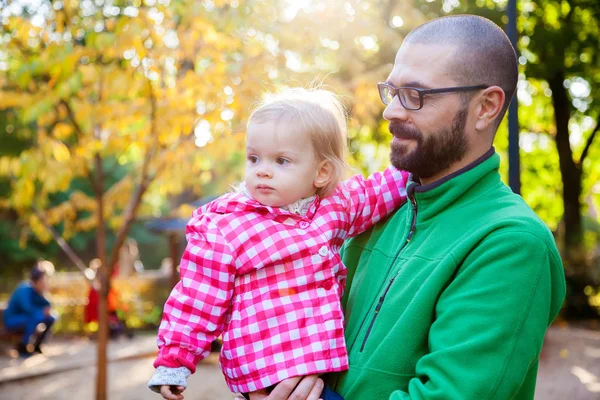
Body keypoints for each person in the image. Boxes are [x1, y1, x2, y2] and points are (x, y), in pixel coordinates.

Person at [240, 14, 567, 400]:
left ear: (486, 107)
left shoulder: (510, 243)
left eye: (415, 95)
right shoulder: (371, 213)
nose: (391, 111)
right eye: (392, 92)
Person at [147, 88, 410, 400]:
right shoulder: (228, 226)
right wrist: (174, 361)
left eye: (282, 160)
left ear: (321, 172)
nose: (263, 169)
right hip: (264, 370)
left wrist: (417, 164)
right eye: (254, 158)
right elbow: (197, 298)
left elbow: (379, 191)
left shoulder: (334, 206)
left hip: (318, 365)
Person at [3, 262, 56, 357]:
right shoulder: (24, 289)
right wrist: (42, 311)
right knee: (36, 317)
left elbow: (48, 305)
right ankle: (23, 347)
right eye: (44, 280)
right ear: (36, 280)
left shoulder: (38, 291)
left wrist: (44, 292)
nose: (46, 282)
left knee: (51, 317)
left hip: (26, 318)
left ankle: (37, 345)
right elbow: (28, 308)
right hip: (11, 320)